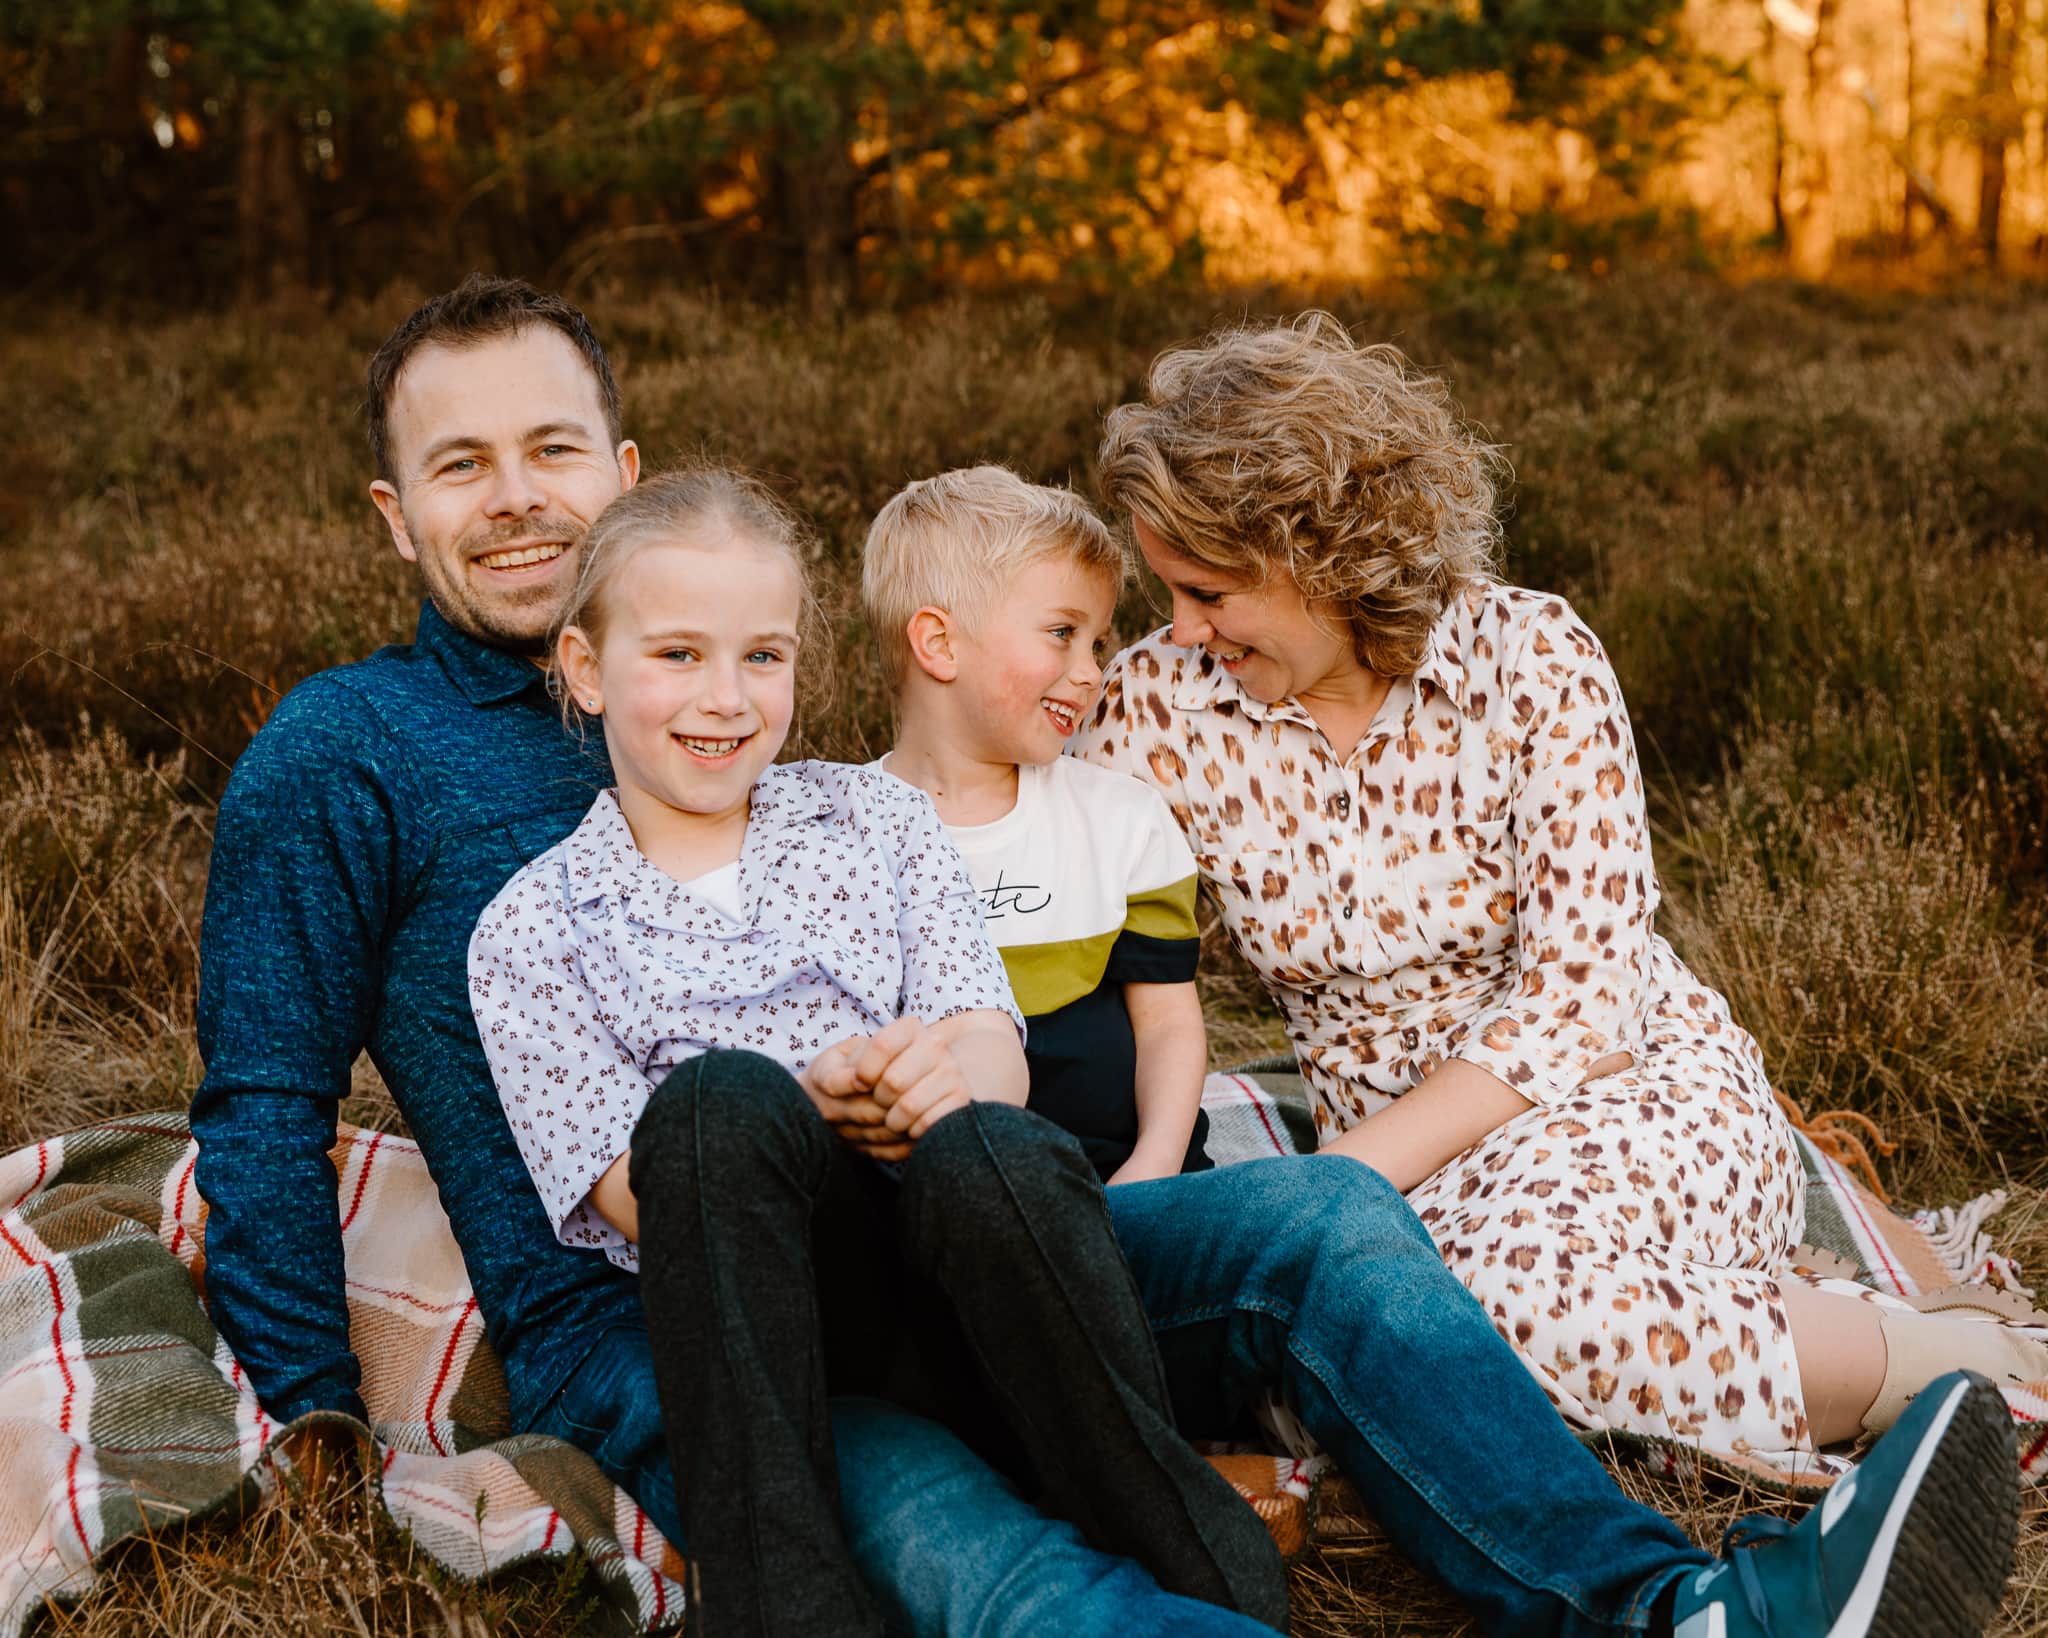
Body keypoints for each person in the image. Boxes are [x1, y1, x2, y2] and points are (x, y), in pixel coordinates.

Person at [193, 274, 2018, 1638]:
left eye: (551, 449)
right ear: (393, 510)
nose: (515, 495)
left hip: (974, 1219)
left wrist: (990, 1058)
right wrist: (321, 1429)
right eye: (459, 463)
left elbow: (959, 864)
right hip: (687, 1322)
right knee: (975, 1552)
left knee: (1317, 1220)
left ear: (626, 468)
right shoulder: (343, 762)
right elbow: (263, 1106)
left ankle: (1684, 1610)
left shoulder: (747, 686)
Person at [1078, 309, 2048, 1464]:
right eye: (1166, 592)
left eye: (1208, 592)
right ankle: (1778, 1331)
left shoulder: (1530, 658)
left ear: (1314, 554)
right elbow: (1049, 884)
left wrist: (1334, 1186)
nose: (1179, 629)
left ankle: (1961, 1366)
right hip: (1390, 1146)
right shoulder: (1155, 703)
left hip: (1621, 1094)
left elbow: (1572, 1007)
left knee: (1504, 1312)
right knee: (1348, 1358)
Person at [468, 466, 1286, 1633]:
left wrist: (930, 1080)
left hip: (970, 1267)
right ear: (587, 672)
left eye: (763, 656)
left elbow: (987, 1037)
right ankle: (781, 1606)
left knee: (994, 1149)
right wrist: (810, 1109)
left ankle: (1177, 1531)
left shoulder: (874, 818)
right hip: (784, 1305)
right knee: (716, 1108)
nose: (726, 696)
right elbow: (639, 1200)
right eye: (678, 655)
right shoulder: (532, 929)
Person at [862, 465, 1210, 1183]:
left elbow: (1169, 1026)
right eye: (1063, 633)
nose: (1091, 673)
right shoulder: (839, 838)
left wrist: (1156, 1164)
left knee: (1318, 1215)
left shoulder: (1119, 822)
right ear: (939, 644)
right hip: (946, 1205)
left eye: (1098, 644)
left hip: (1127, 1182)